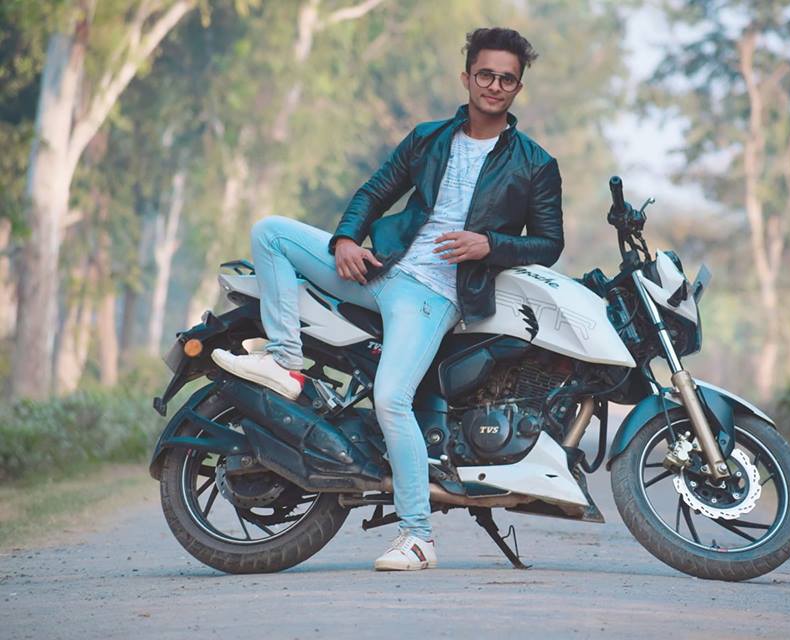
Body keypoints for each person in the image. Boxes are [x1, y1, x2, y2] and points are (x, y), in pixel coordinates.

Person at [212, 27, 563, 571]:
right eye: (486, 75)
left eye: (506, 79)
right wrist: (346, 239)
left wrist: (490, 244)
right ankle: (284, 360)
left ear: (518, 87)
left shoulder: (535, 163)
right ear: (467, 77)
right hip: (382, 267)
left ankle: (417, 538)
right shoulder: (428, 137)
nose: (494, 86)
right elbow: (376, 190)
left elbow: (548, 243)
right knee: (270, 232)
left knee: (391, 398)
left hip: (433, 296)